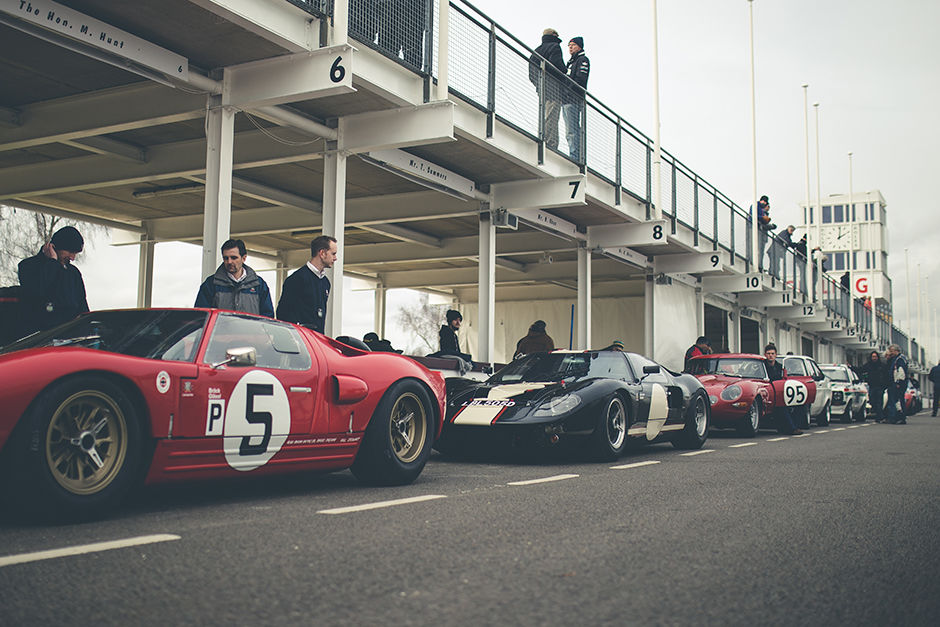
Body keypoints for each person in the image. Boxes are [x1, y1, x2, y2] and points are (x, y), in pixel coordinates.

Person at [18, 225, 90, 334]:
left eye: (75, 253)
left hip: (70, 334)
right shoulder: (28, 266)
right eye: (70, 252)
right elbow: (37, 291)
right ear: (55, 247)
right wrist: (52, 263)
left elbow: (82, 306)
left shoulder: (73, 273)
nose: (72, 258)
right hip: (41, 334)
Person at [195, 239, 274, 317]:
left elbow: (267, 317)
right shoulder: (211, 284)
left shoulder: (258, 285)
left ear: (244, 258)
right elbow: (201, 316)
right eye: (226, 258)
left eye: (234, 258)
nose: (229, 262)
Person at [276, 235, 338, 334]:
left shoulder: (325, 282)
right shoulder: (296, 279)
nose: (335, 258)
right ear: (322, 253)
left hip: (317, 339)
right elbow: (283, 314)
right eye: (333, 254)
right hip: (299, 338)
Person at [529, 28, 567, 150]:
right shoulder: (555, 47)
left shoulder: (536, 51)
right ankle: (550, 144)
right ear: (554, 35)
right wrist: (565, 71)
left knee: (545, 115)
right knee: (552, 117)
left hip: (542, 89)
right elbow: (557, 65)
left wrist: (538, 84)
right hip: (554, 88)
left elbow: (531, 73)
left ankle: (542, 139)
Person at [562, 36, 590, 162]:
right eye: (569, 46)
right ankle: (574, 154)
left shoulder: (582, 60)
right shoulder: (571, 62)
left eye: (573, 45)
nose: (570, 48)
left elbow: (580, 79)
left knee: (572, 130)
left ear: (579, 46)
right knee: (569, 130)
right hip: (566, 99)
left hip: (573, 99)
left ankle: (575, 156)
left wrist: (569, 90)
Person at [765, 343, 802, 435]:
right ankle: (792, 428)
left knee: (798, 406)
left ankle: (795, 426)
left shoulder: (780, 366)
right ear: (765, 355)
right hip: (768, 392)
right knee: (782, 408)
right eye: (768, 353)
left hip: (780, 392)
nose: (770, 356)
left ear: (776, 355)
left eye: (772, 353)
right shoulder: (762, 366)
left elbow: (784, 378)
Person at [883, 343, 909, 424]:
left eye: (892, 351)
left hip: (899, 383)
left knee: (899, 400)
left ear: (896, 351)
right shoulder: (897, 359)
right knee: (896, 400)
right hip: (896, 382)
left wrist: (898, 382)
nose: (891, 353)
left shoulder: (900, 359)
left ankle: (902, 417)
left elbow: (901, 371)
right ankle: (898, 416)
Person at [860, 350, 888, 422]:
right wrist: (851, 367)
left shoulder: (882, 365)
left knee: (879, 402)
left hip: (880, 386)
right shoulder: (868, 365)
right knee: (872, 401)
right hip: (872, 386)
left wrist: (885, 385)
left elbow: (886, 375)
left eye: (875, 357)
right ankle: (878, 414)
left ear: (878, 357)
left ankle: (879, 417)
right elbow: (860, 369)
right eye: (873, 357)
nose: (874, 358)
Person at [753, 195, 775, 272]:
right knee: (759, 250)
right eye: (766, 205)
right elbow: (755, 216)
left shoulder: (762, 211)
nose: (767, 208)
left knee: (761, 251)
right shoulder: (756, 206)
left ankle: (760, 265)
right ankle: (758, 265)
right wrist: (764, 219)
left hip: (762, 233)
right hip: (759, 231)